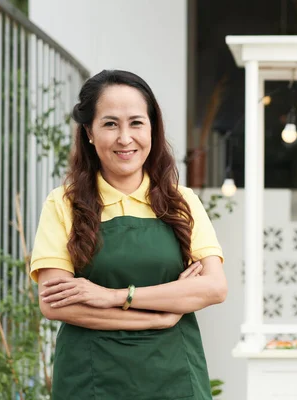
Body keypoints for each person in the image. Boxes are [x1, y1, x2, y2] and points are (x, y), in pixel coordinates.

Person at [29, 70, 227, 399]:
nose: (125, 138)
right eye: (110, 124)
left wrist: (114, 297)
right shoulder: (64, 204)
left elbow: (214, 287)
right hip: (90, 380)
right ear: (89, 132)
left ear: (152, 129)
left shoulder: (183, 202)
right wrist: (159, 317)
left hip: (175, 377)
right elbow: (55, 304)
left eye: (136, 123)